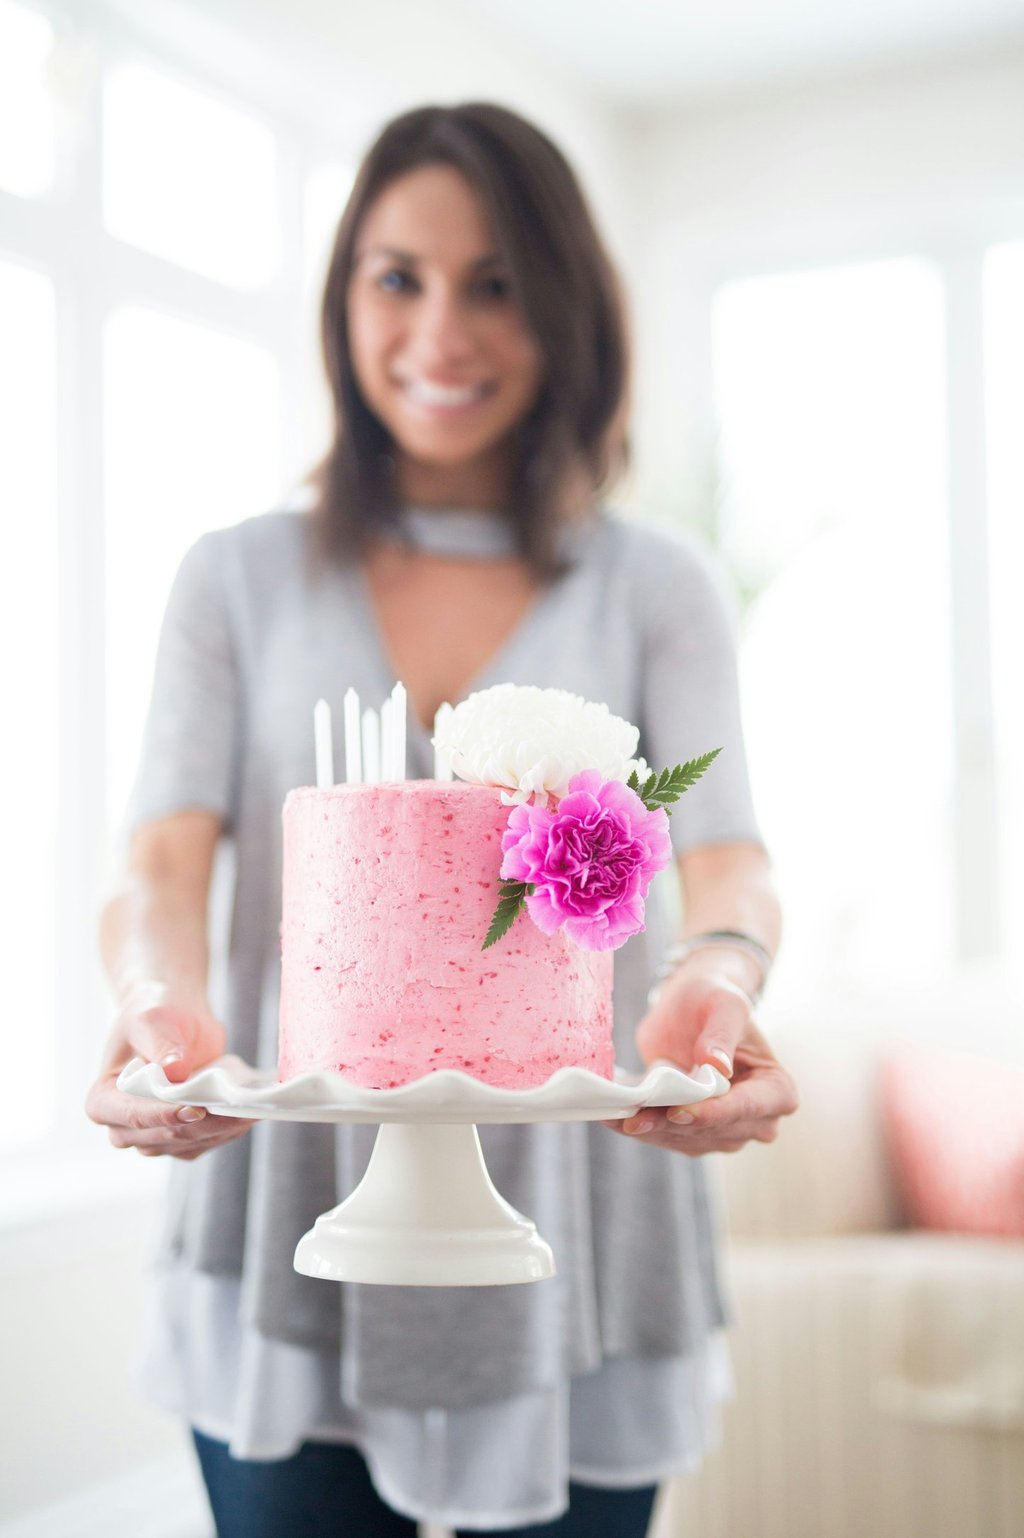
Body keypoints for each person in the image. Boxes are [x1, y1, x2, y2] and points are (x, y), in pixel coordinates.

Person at [85, 102, 796, 1537]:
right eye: (398, 278)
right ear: (342, 295)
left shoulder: (653, 585)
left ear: (566, 306)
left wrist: (721, 976)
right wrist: (159, 1000)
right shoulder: (236, 578)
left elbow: (725, 852)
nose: (441, 334)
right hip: (293, 1193)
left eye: (496, 284)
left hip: (579, 1205)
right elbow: (160, 857)